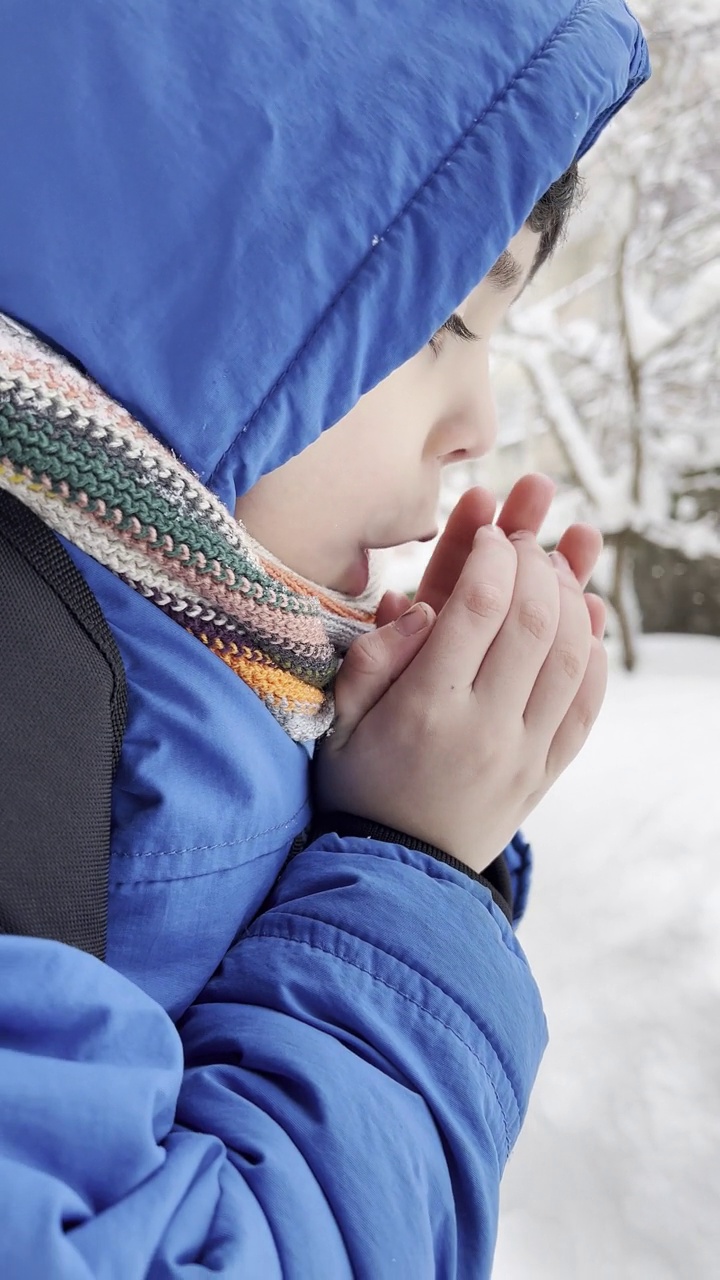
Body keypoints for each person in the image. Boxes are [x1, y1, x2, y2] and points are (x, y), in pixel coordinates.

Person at [0, 2, 649, 1276]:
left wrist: (366, 781)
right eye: (430, 321)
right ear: (170, 263)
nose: (480, 418)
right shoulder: (25, 670)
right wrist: (406, 867)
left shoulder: (164, 639)